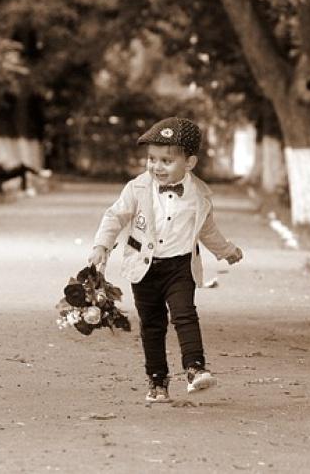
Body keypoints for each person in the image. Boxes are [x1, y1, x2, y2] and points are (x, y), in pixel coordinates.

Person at [88, 117, 243, 403]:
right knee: (152, 325)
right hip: (144, 268)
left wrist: (226, 250)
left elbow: (206, 229)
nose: (157, 167)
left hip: (180, 266)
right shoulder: (137, 188)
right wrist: (101, 246)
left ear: (190, 162)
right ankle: (157, 381)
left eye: (166, 161)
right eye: (152, 159)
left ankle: (195, 368)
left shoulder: (200, 195)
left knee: (185, 315)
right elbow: (115, 217)